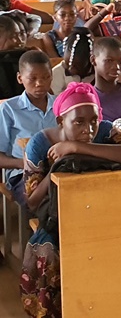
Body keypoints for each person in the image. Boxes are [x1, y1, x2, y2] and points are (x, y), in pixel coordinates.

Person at [21, 83, 121, 317]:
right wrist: (56, 168)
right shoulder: (40, 143)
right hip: (58, 218)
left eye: (94, 120)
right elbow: (32, 202)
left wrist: (76, 147)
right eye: (79, 122)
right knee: (51, 253)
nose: (89, 129)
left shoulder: (105, 131)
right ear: (61, 121)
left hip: (103, 210)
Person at [0, 51, 55, 210]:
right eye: (33, 78)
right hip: (22, 175)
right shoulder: (9, 109)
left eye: (45, 77)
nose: (40, 83)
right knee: (49, 202)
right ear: (20, 78)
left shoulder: (60, 105)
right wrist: (25, 164)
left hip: (58, 169)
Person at [50, 28, 94, 95]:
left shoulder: (96, 73)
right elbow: (56, 99)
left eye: (77, 66)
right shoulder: (57, 73)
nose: (71, 69)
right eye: (69, 64)